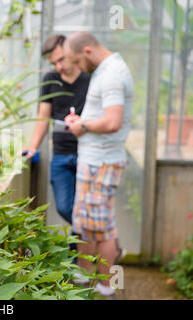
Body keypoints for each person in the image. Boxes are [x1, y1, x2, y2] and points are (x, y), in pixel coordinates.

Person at [63, 31, 133, 297]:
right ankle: (84, 281)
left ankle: (105, 290)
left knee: (101, 230)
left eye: (78, 62)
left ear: (88, 51)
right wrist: (82, 123)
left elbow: (113, 121)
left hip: (100, 163)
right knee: (85, 224)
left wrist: (82, 124)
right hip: (96, 161)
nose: (79, 69)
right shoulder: (107, 70)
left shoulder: (112, 73)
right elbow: (103, 118)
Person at [22, 34, 90, 250]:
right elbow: (43, 117)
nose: (59, 66)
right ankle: (98, 240)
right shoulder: (50, 80)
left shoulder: (89, 79)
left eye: (61, 59)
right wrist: (33, 147)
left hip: (86, 153)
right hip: (60, 154)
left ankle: (78, 255)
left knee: (84, 207)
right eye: (54, 63)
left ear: (70, 51)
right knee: (64, 206)